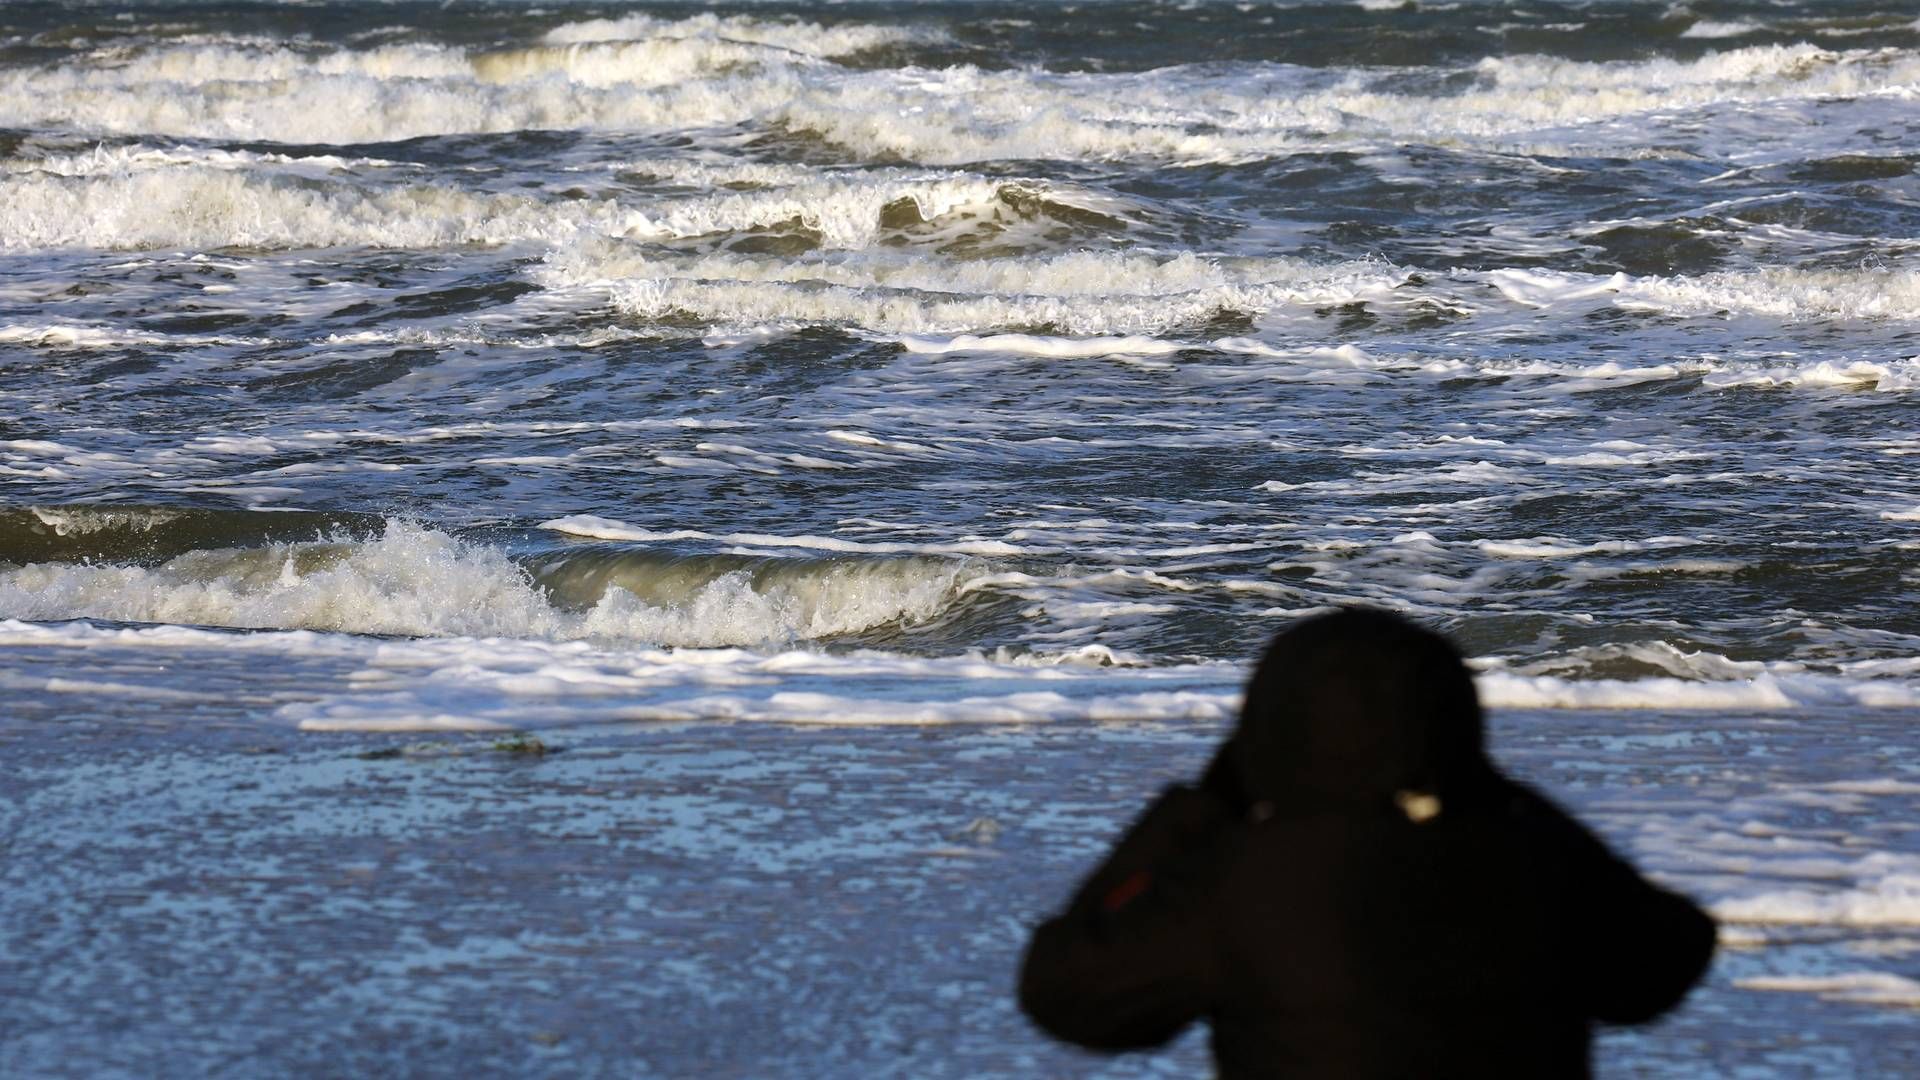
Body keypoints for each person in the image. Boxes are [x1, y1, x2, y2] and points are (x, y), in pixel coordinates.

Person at [1018, 608, 1716, 1078]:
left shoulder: (1241, 878)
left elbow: (1069, 994)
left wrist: (1197, 811)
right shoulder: (1535, 854)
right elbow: (1664, 960)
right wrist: (1503, 795)